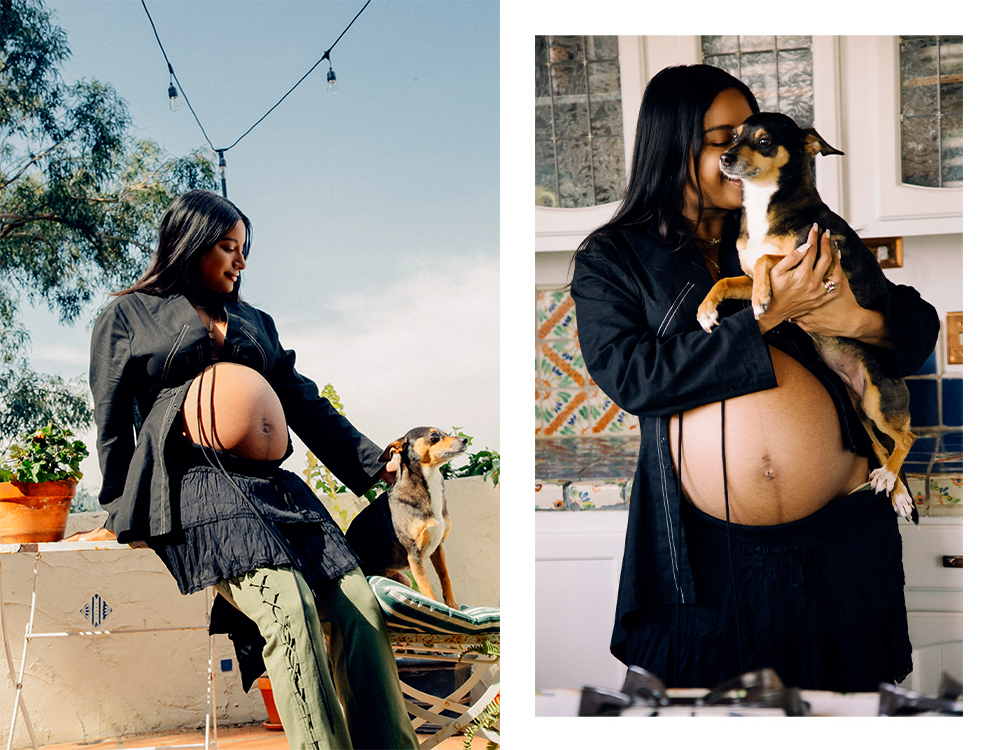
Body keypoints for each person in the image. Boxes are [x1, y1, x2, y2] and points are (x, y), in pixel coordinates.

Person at [570, 65, 940, 692]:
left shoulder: (800, 225)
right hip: (704, 560)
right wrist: (769, 315)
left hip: (842, 540)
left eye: (747, 135)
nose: (740, 152)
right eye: (722, 139)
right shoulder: (616, 257)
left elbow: (917, 325)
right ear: (672, 144)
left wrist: (853, 317)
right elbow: (633, 378)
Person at [80, 189, 420, 749]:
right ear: (188, 246)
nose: (241, 261)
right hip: (197, 487)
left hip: (277, 490)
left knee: (360, 607)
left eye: (243, 249)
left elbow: (305, 403)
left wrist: (371, 461)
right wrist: (119, 509)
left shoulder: (254, 320)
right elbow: (113, 419)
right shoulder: (128, 315)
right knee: (287, 607)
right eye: (228, 247)